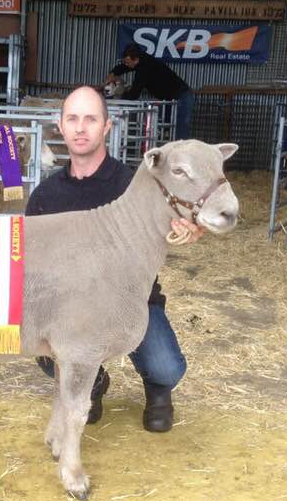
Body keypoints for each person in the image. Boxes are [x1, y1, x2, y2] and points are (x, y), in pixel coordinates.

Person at [25, 85, 205, 432]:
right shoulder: (45, 194)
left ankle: (158, 392)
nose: (80, 128)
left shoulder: (135, 184)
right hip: (72, 311)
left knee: (166, 366)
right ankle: (92, 383)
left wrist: (193, 229)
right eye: (72, 119)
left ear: (107, 127)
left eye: (90, 119)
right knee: (48, 354)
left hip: (131, 303)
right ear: (60, 126)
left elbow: (184, 213)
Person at [104, 42, 196, 141]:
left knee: (180, 126)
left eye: (127, 61)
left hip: (181, 96)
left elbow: (134, 94)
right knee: (160, 122)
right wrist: (113, 73)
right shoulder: (140, 59)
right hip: (168, 98)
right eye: (125, 61)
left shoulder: (145, 68)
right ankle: (162, 141)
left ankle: (181, 151)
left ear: (136, 59)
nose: (126, 64)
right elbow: (124, 67)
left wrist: (120, 96)